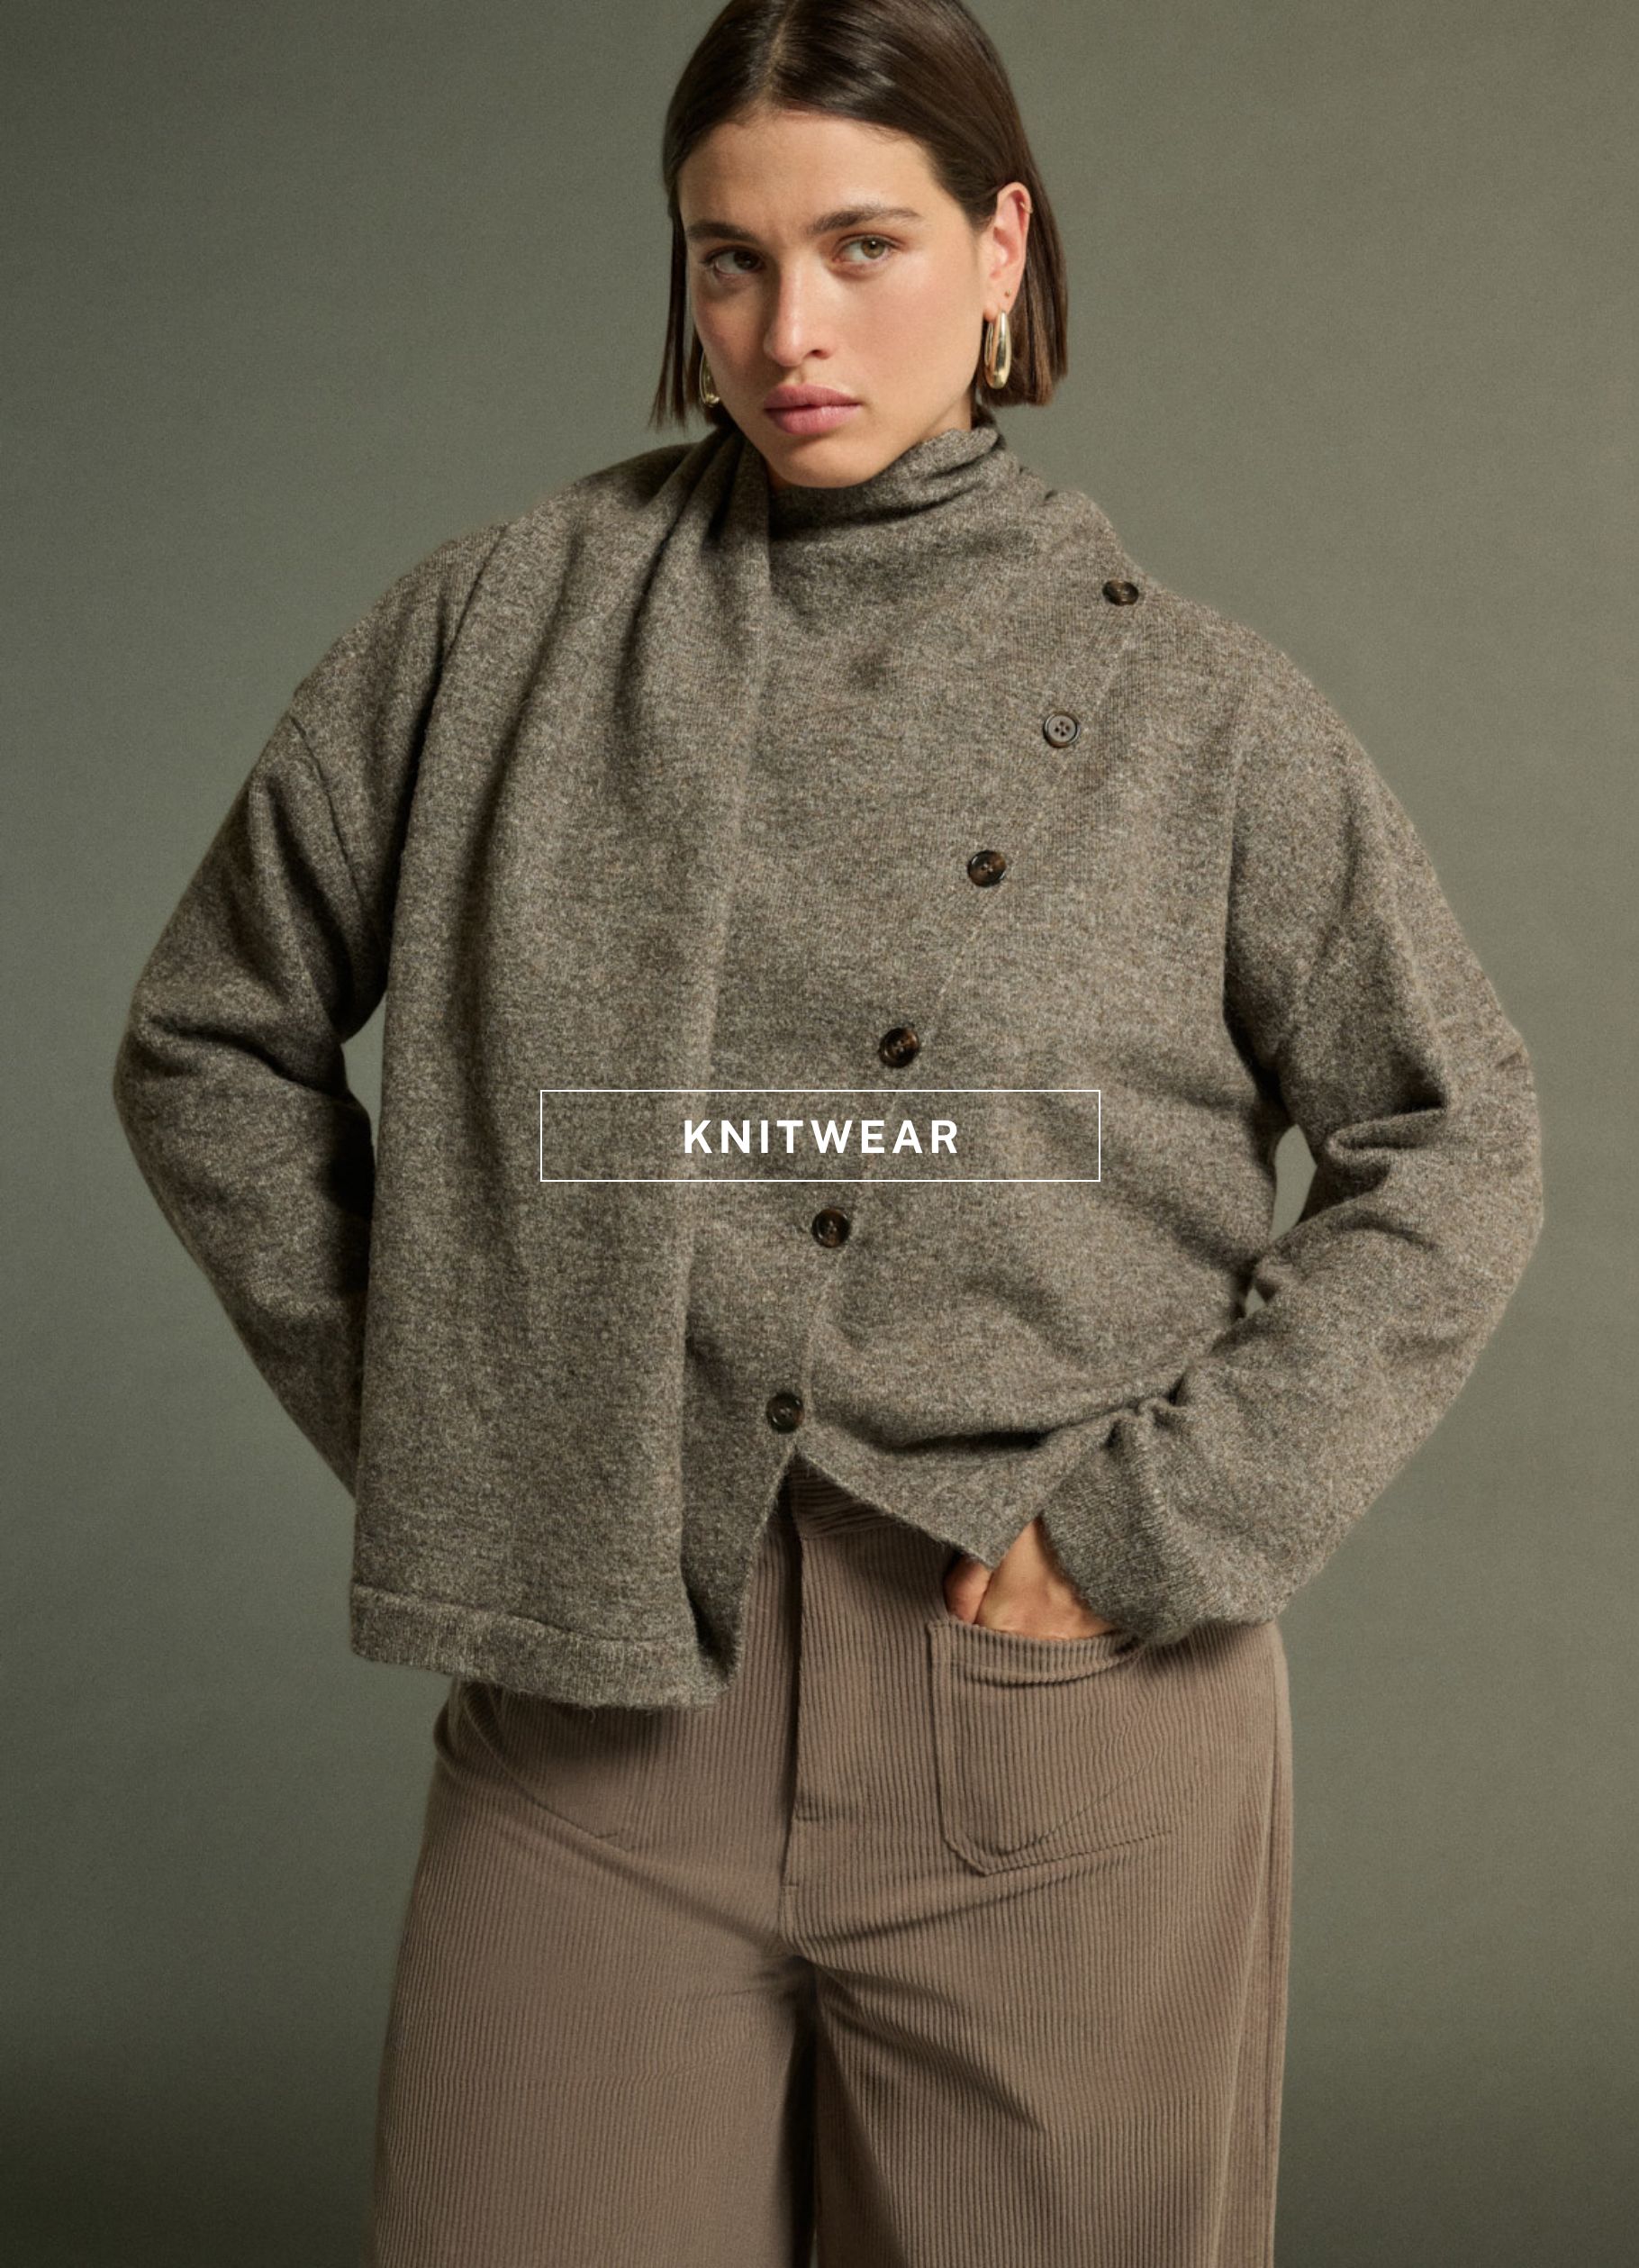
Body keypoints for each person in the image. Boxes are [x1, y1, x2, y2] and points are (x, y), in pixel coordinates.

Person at [111, 3, 1544, 2262]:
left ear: (1001, 250)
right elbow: (210, 1037)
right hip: (592, 1691)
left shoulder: (1205, 715)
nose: (789, 330)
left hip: (1057, 1699)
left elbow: (1454, 1139)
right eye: (729, 259)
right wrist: (452, 1407)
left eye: (863, 245)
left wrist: (1152, 1529)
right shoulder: (488, 632)